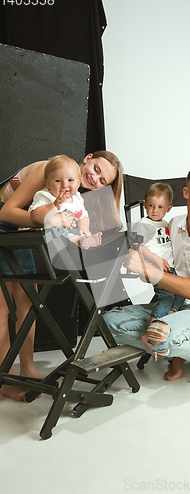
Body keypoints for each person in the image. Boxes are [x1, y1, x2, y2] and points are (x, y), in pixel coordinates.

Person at [0, 150, 123, 401]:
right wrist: (49, 220)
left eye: (102, 182)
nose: (94, 180)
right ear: (88, 158)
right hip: (4, 219)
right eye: (97, 170)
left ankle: (27, 368)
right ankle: (4, 377)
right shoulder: (50, 169)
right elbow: (6, 212)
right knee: (3, 306)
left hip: (21, 230)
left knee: (27, 300)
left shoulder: (74, 192)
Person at [104, 165, 190, 384]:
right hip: (173, 303)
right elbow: (155, 267)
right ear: (186, 193)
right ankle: (174, 344)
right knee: (107, 322)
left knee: (159, 334)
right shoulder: (172, 224)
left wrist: (147, 270)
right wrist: (141, 264)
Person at [131, 183, 184, 355]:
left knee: (181, 294)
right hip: (156, 269)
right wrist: (155, 258)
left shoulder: (166, 223)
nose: (155, 210)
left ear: (168, 208)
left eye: (160, 207)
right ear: (145, 204)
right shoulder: (143, 223)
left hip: (172, 268)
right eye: (151, 206)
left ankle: (166, 320)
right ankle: (149, 333)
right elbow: (137, 246)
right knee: (166, 297)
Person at [29, 155, 102, 249]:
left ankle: (85, 237)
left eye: (70, 180)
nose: (65, 185)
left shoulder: (77, 198)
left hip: (66, 233)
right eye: (58, 181)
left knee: (73, 232)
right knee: (60, 234)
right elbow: (35, 217)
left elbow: (83, 216)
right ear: (48, 184)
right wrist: (54, 206)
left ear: (78, 182)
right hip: (40, 234)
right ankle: (78, 240)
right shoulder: (45, 195)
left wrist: (84, 228)